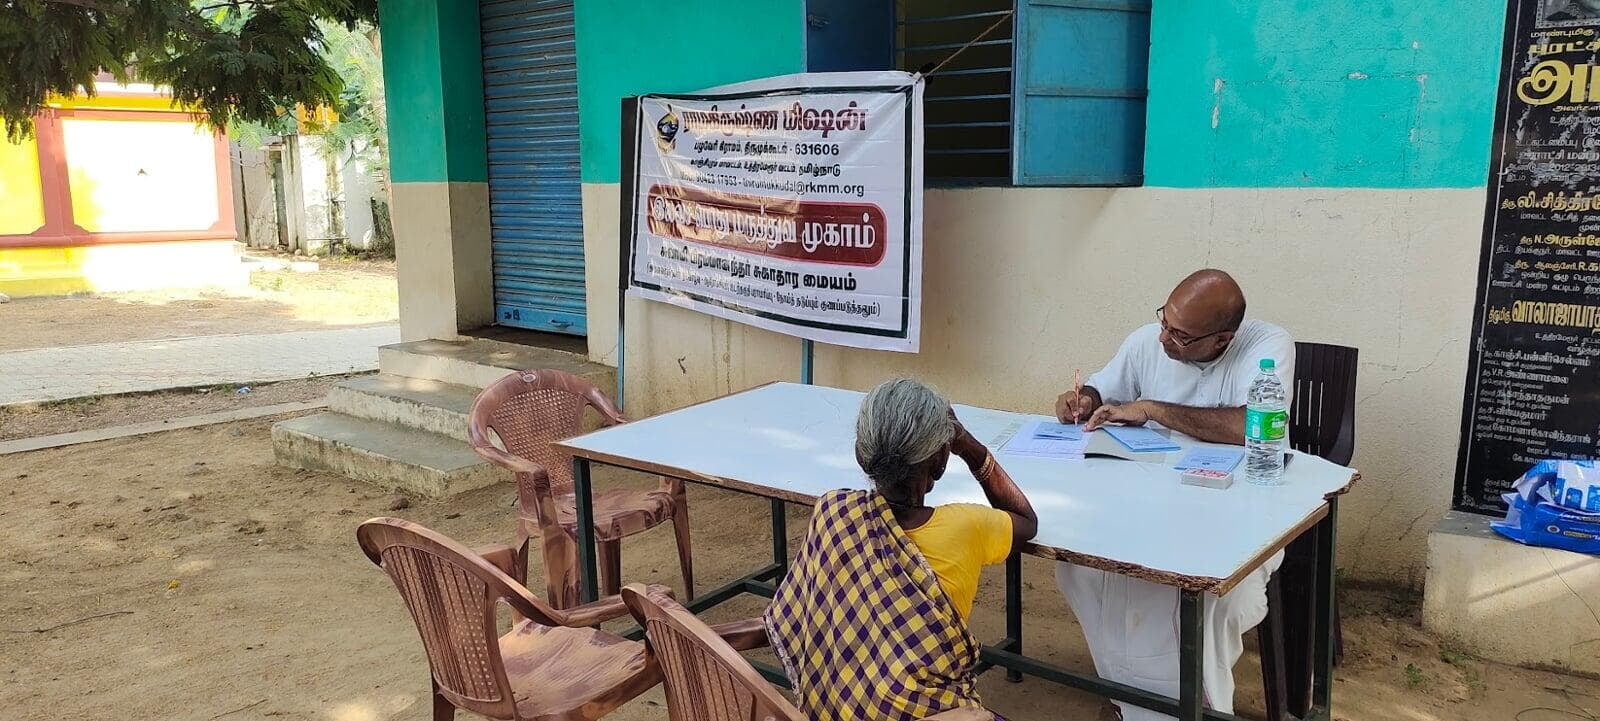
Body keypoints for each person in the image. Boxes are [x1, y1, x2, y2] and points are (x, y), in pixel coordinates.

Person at [1052, 268, 1295, 721]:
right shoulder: (1149, 339)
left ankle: (1194, 705)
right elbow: (1104, 385)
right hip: (1150, 506)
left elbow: (1250, 425)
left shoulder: (1267, 347)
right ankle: (1127, 695)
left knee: (1206, 595)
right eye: (1165, 320)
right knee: (1082, 568)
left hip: (1237, 513)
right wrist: (1082, 398)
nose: (1164, 338)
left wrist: (1153, 409)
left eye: (1180, 335)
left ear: (1221, 340)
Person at [765, 378, 1037, 721]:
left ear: (862, 456)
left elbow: (798, 615)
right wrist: (969, 446)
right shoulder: (967, 527)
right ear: (939, 462)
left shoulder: (833, 512)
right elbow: (1025, 520)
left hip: (842, 711)